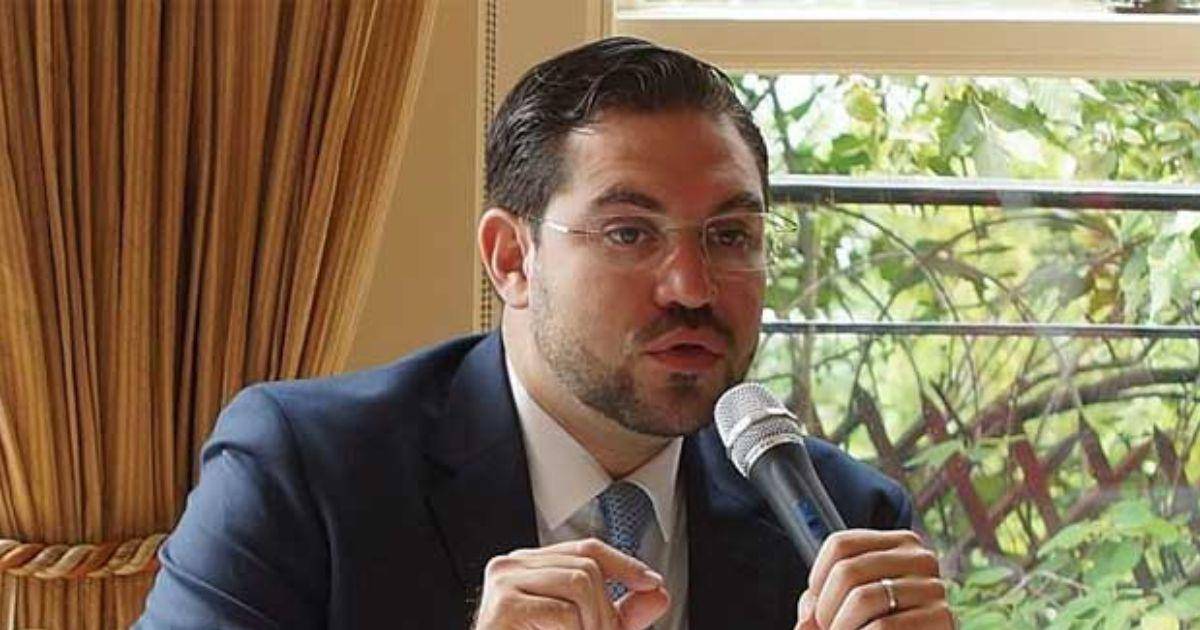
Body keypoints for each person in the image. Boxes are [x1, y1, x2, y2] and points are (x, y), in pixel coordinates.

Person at [137, 37, 952, 630]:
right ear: (511, 258)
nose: (693, 287)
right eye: (630, 233)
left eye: (731, 236)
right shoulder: (305, 471)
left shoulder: (846, 521)